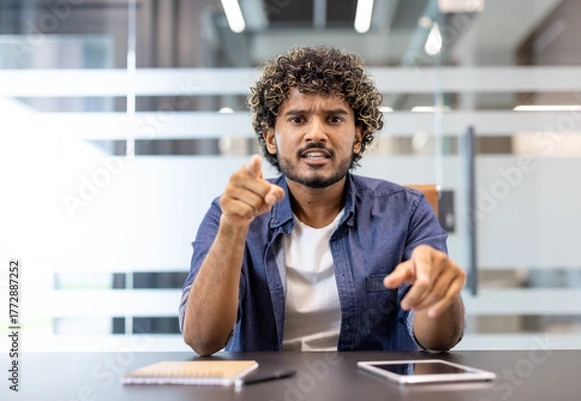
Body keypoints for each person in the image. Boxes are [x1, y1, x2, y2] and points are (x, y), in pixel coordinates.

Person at [179, 45, 466, 356]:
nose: (316, 133)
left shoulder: (406, 211)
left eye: (333, 119)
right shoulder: (231, 212)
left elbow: (439, 341)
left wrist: (441, 295)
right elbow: (202, 340)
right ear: (271, 139)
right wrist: (233, 229)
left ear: (357, 137)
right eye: (298, 119)